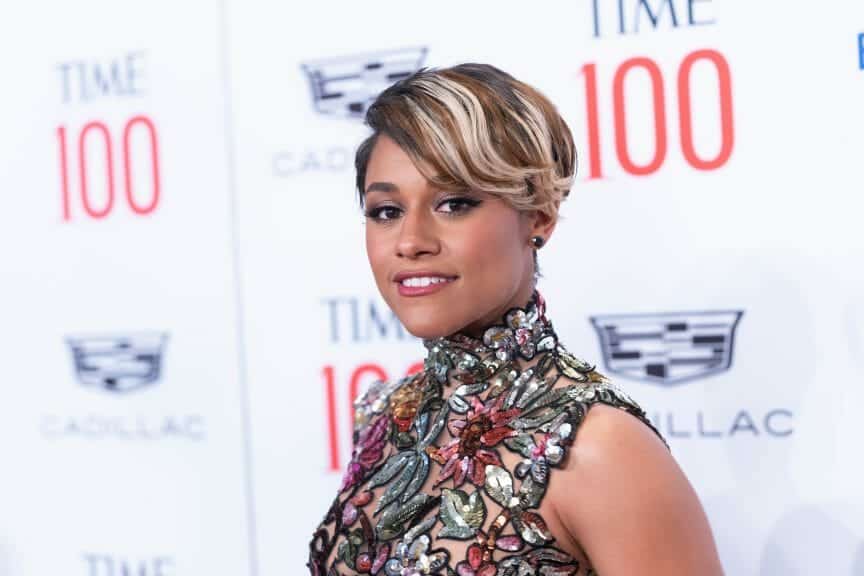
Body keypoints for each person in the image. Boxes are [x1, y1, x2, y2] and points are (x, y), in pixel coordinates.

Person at [308, 63, 724, 576]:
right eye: (386, 211)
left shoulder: (598, 446)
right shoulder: (385, 414)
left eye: (454, 204)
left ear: (540, 215)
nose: (411, 241)